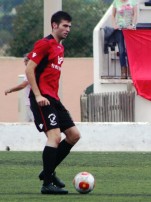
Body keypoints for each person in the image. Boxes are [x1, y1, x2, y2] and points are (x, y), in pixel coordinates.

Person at [25, 11, 81, 195]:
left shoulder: (60, 48)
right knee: (55, 138)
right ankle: (47, 184)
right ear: (54, 25)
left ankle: (46, 172)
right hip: (42, 98)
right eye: (65, 25)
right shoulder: (44, 44)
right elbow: (29, 69)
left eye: (70, 26)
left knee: (73, 135)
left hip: (53, 98)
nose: (68, 29)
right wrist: (38, 95)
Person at [112, 0, 137, 79]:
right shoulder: (116, 2)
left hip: (130, 30)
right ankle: (123, 72)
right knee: (121, 50)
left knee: (130, 50)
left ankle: (131, 72)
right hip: (119, 30)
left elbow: (135, 14)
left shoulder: (133, 2)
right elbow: (112, 15)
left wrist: (132, 25)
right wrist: (114, 25)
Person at [5, 54, 33, 122]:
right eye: (24, 61)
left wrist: (10, 90)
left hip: (31, 103)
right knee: (25, 124)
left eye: (26, 60)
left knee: (35, 123)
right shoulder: (30, 70)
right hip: (28, 103)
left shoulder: (30, 71)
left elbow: (23, 85)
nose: (25, 63)